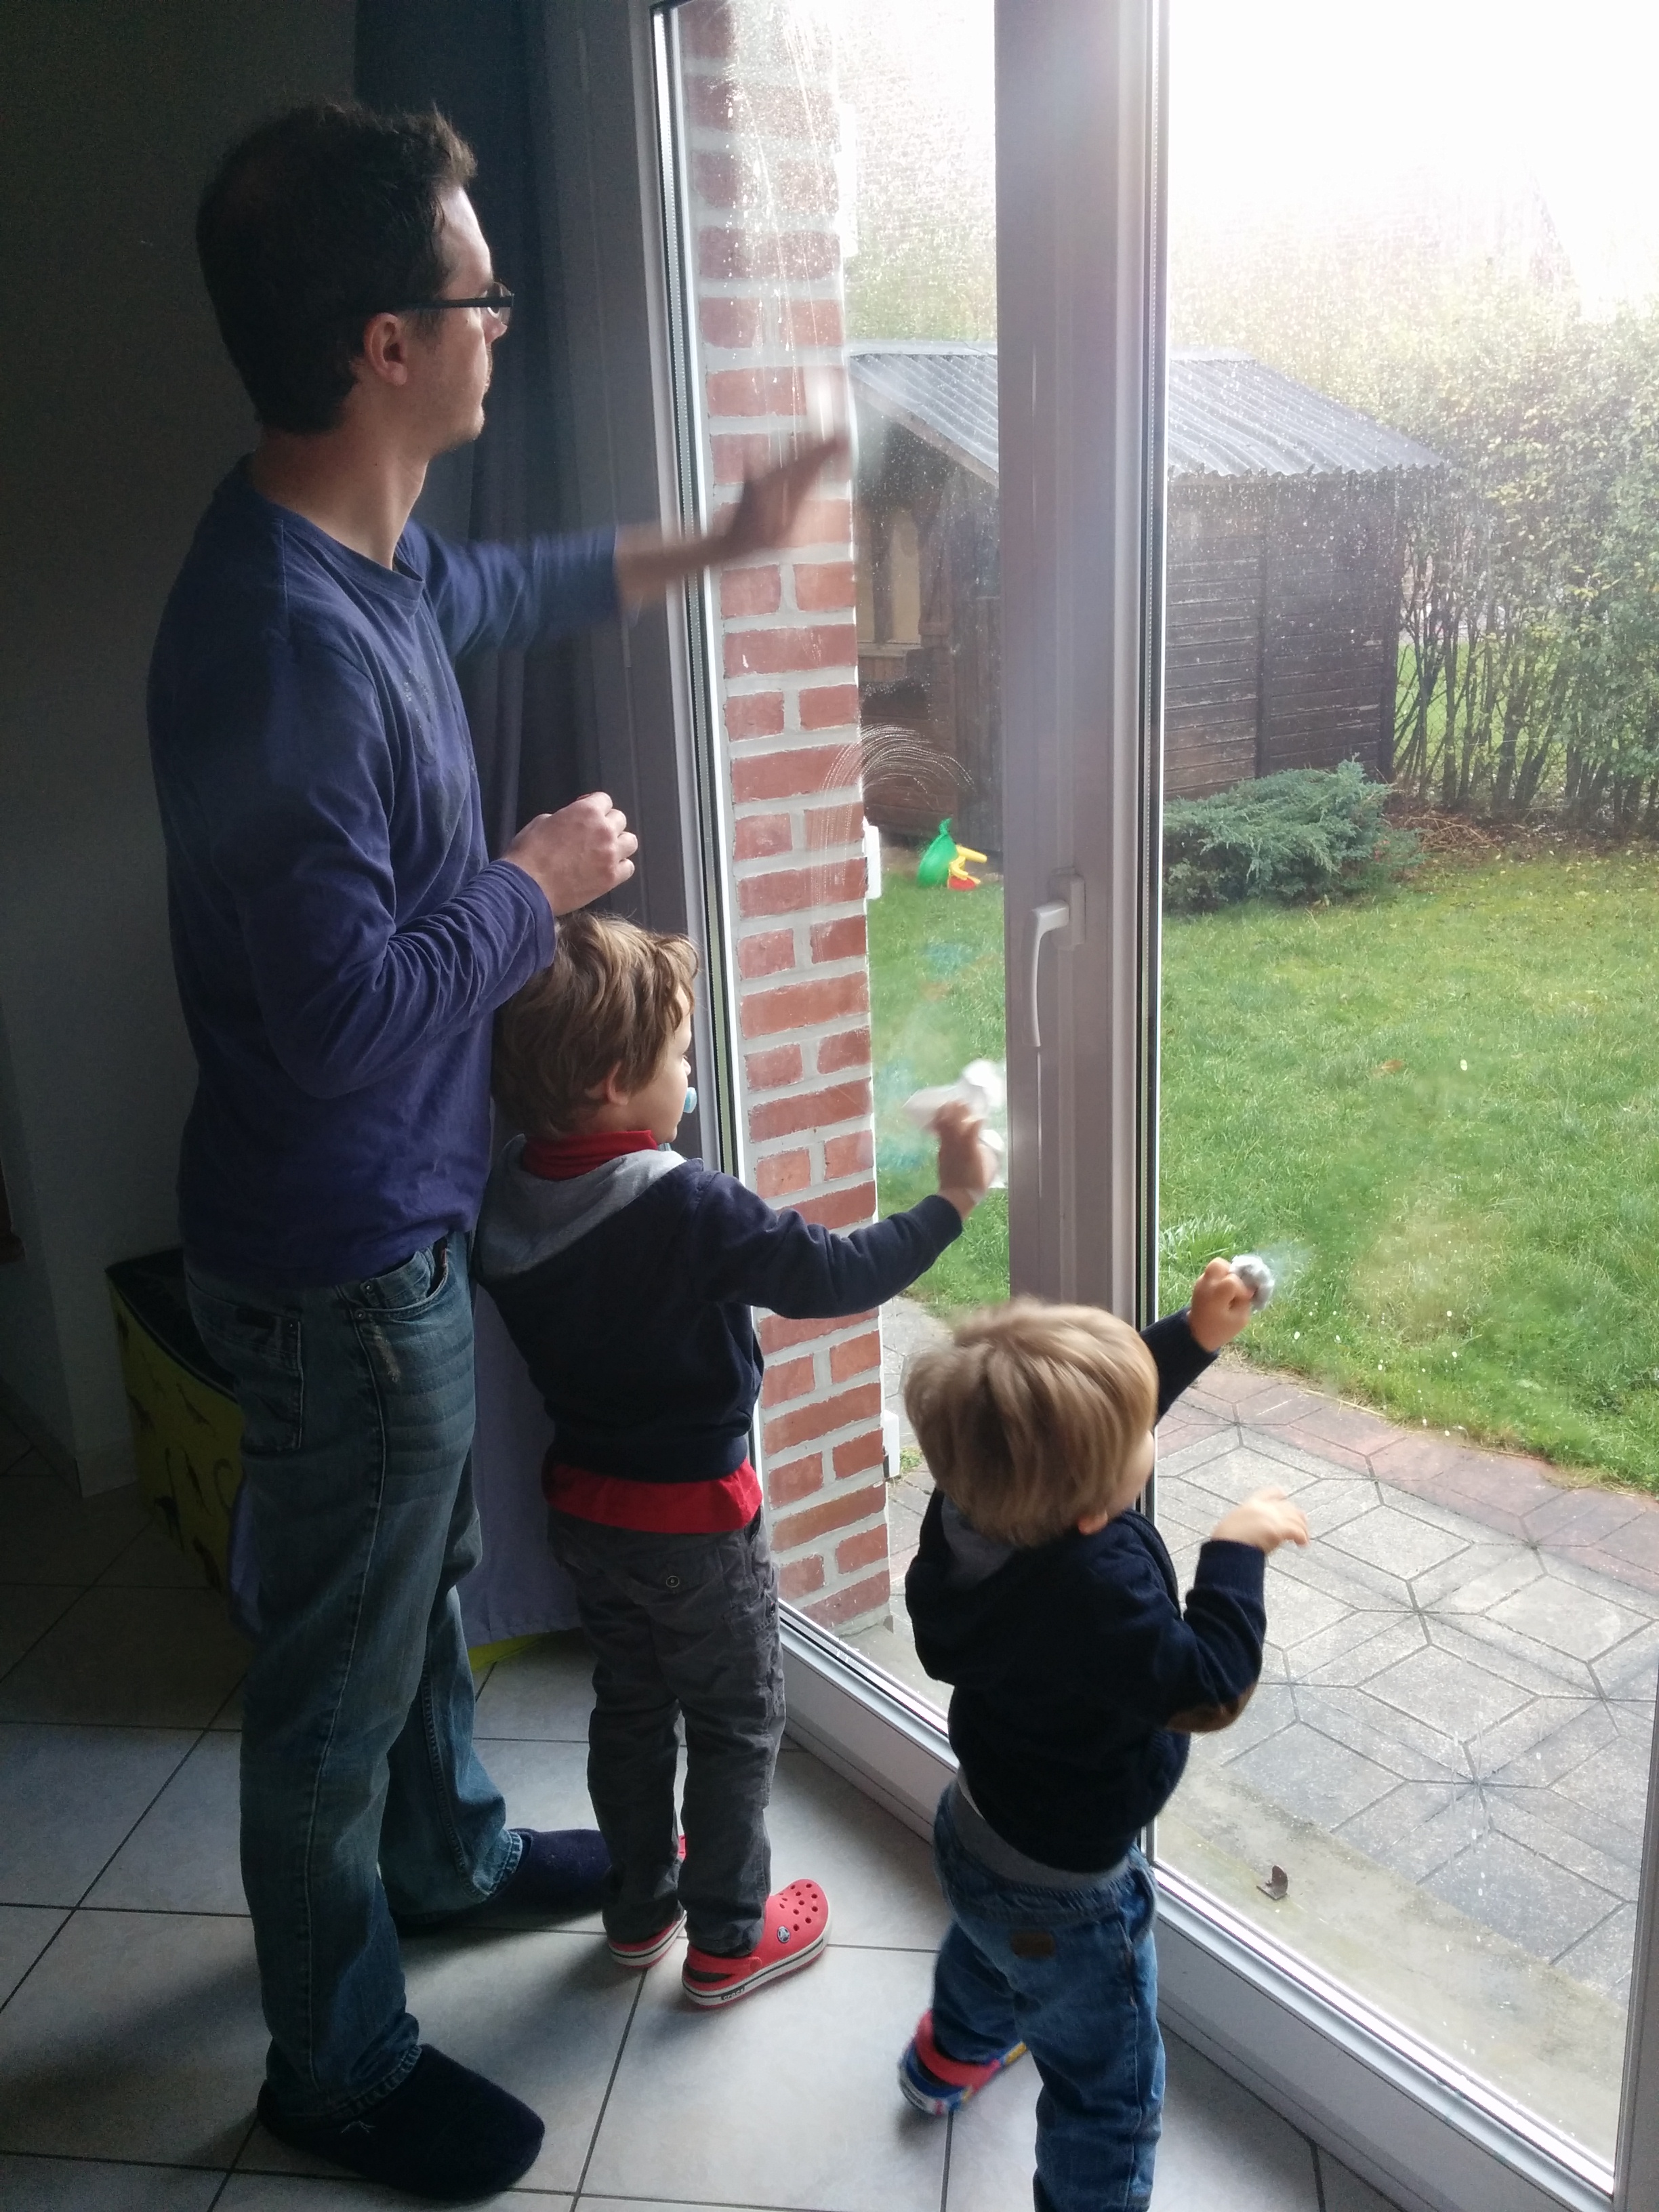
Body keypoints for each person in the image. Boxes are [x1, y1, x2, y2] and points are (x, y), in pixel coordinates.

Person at [148, 100, 838, 2203]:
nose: (502, 324)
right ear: (387, 344)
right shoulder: (286, 647)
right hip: (340, 1253)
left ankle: (445, 1858)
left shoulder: (349, 552)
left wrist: (717, 544)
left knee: (417, 1584)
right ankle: (336, 2068)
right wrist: (530, 887)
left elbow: (507, 580)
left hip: (385, 1226)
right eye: (480, 294)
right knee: (334, 1689)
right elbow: (347, 1010)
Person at [475, 912, 996, 2005]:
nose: (691, 1078)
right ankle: (727, 1936)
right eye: (679, 1057)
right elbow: (835, 1273)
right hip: (695, 1524)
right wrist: (950, 1202)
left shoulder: (512, 1189)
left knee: (630, 1705)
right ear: (615, 1081)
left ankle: (638, 1908)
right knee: (734, 1719)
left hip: (585, 1512)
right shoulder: (681, 1205)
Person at [895, 1275, 1310, 2212]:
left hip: (978, 1826)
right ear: (1089, 1509)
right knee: (1108, 2091)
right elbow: (1207, 1687)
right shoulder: (1094, 1588)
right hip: (1071, 1896)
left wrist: (1192, 1337)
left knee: (989, 1949)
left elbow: (1067, 1432)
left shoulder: (969, 1511)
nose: (1147, 1435)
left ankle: (946, 2061)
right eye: (1139, 1438)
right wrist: (1233, 1554)